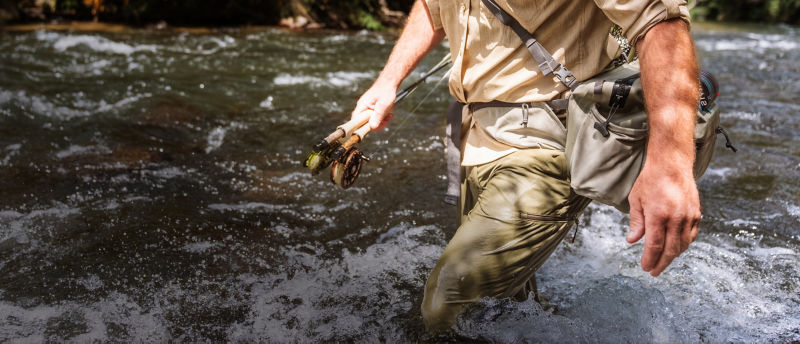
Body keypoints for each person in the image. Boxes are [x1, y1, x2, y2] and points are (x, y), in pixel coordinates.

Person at [352, 0, 702, 332]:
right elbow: (433, 7)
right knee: (503, 308)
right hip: (474, 142)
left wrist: (670, 164)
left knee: (448, 304)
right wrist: (387, 82)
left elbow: (660, 23)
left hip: (547, 146)